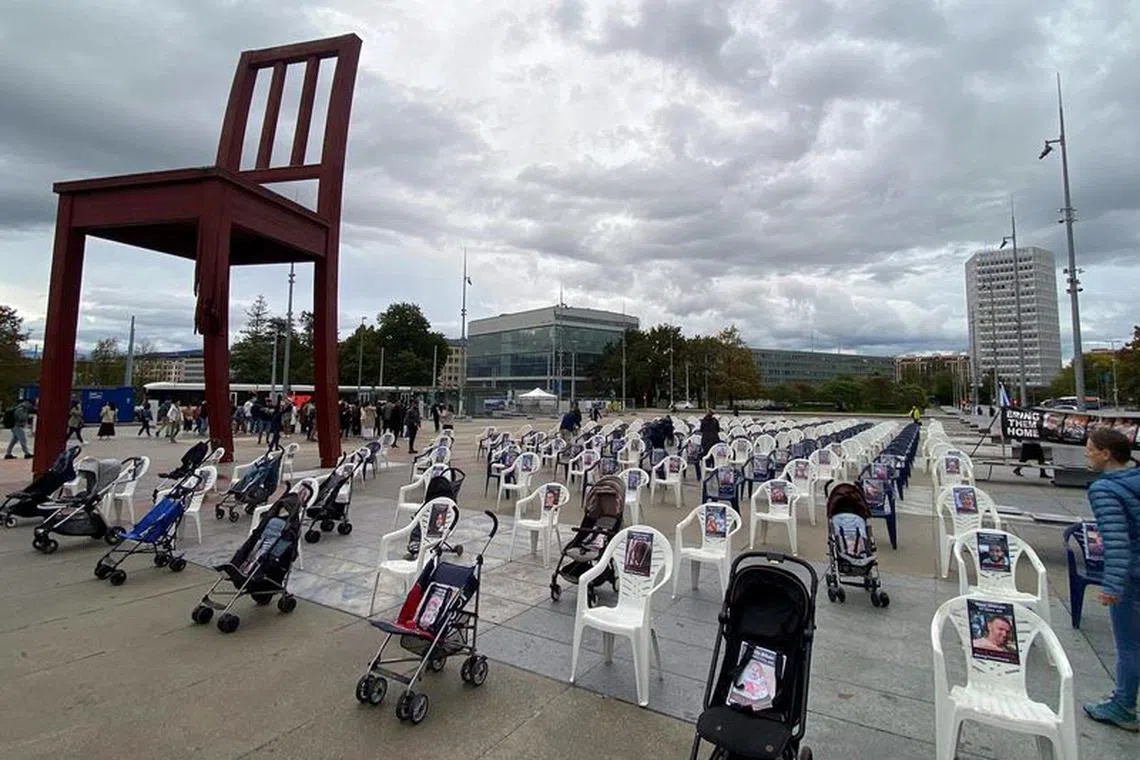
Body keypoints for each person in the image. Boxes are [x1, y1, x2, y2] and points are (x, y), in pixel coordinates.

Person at [1082, 427, 1140, 732]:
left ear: (1106, 454)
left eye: (1090, 448)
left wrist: (1113, 585)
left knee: (1130, 645)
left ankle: (1123, 705)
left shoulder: (1106, 489)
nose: (1086, 453)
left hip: (1133, 576)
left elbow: (1118, 542)